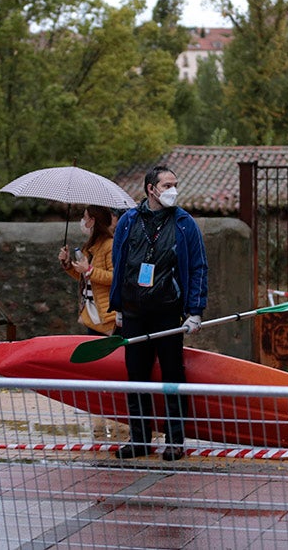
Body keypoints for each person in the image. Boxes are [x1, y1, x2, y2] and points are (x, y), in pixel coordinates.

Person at [108, 165, 208, 461]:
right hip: (135, 313)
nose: (173, 190)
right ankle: (139, 440)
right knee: (136, 377)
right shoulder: (128, 221)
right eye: (167, 185)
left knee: (172, 377)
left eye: (175, 184)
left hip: (168, 314)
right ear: (151, 189)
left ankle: (175, 440)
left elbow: (199, 267)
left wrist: (195, 311)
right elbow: (120, 263)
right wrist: (119, 307)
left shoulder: (184, 224)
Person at [57, 205, 117, 335]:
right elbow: (84, 276)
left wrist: (90, 270)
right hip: (91, 311)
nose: (82, 221)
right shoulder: (90, 246)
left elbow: (114, 277)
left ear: (93, 221)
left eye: (85, 217)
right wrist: (68, 263)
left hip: (106, 313)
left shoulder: (110, 245)